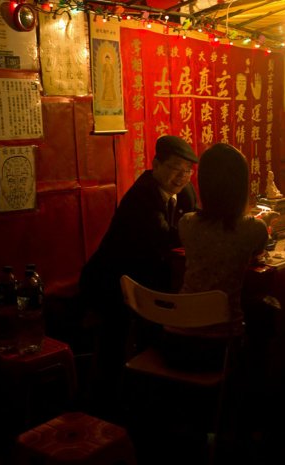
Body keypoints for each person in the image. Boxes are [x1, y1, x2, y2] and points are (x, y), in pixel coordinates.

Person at [78, 135, 198, 418]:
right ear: (156, 164)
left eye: (187, 170)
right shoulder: (142, 194)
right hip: (112, 281)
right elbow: (166, 238)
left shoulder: (187, 191)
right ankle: (107, 406)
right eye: (175, 168)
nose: (181, 177)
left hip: (148, 278)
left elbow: (189, 227)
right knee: (116, 343)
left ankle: (148, 393)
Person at [163, 143, 270, 368]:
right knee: (268, 310)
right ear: (241, 186)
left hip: (174, 343)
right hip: (221, 349)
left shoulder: (187, 224)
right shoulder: (254, 229)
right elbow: (257, 252)